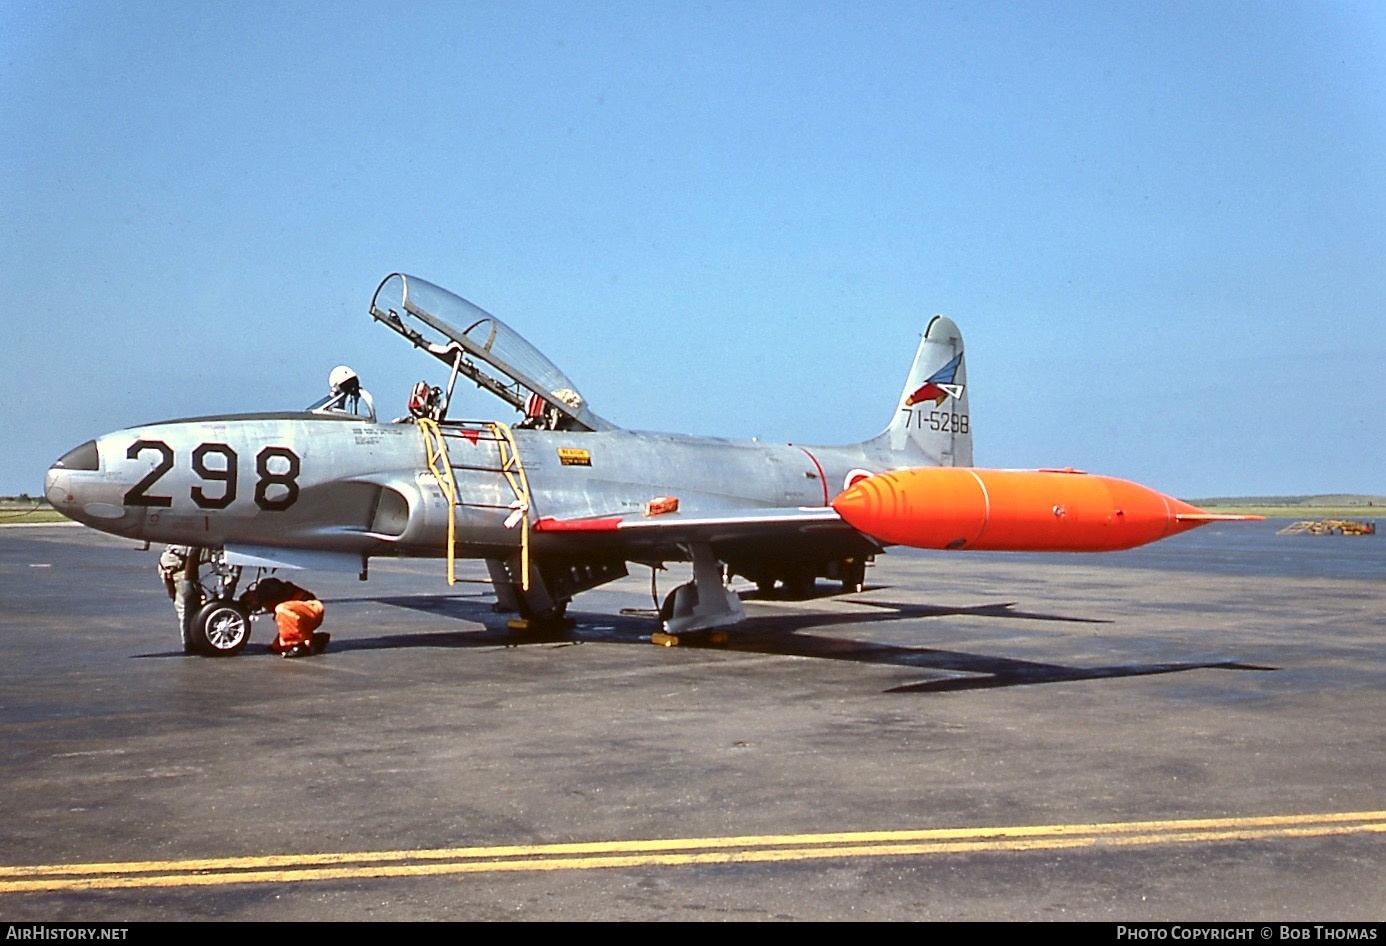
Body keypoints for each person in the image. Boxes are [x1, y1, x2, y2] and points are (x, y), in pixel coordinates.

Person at [239, 577, 329, 658]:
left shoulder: (266, 588)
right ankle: (315, 639)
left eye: (249, 601)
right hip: (300, 615)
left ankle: (298, 645)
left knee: (281, 609)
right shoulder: (265, 596)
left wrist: (262, 597)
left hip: (311, 608)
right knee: (277, 646)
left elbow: (278, 589)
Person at [158, 545, 215, 654]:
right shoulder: (194, 539)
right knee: (185, 606)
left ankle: (195, 639)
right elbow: (192, 557)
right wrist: (190, 583)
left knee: (193, 602)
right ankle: (189, 644)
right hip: (175, 565)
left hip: (181, 562)